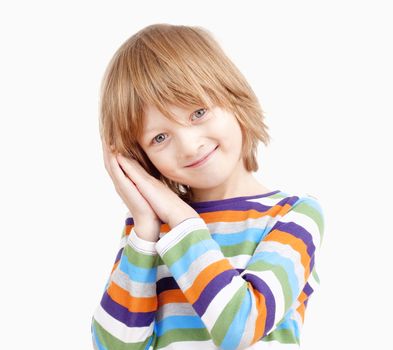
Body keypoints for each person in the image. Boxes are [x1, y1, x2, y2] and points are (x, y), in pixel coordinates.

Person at [91, 23, 325, 350]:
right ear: (139, 159)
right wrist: (145, 227)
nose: (188, 145)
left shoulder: (293, 215)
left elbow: (239, 328)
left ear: (232, 96)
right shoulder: (147, 233)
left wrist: (179, 217)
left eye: (198, 112)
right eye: (159, 137)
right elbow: (114, 347)